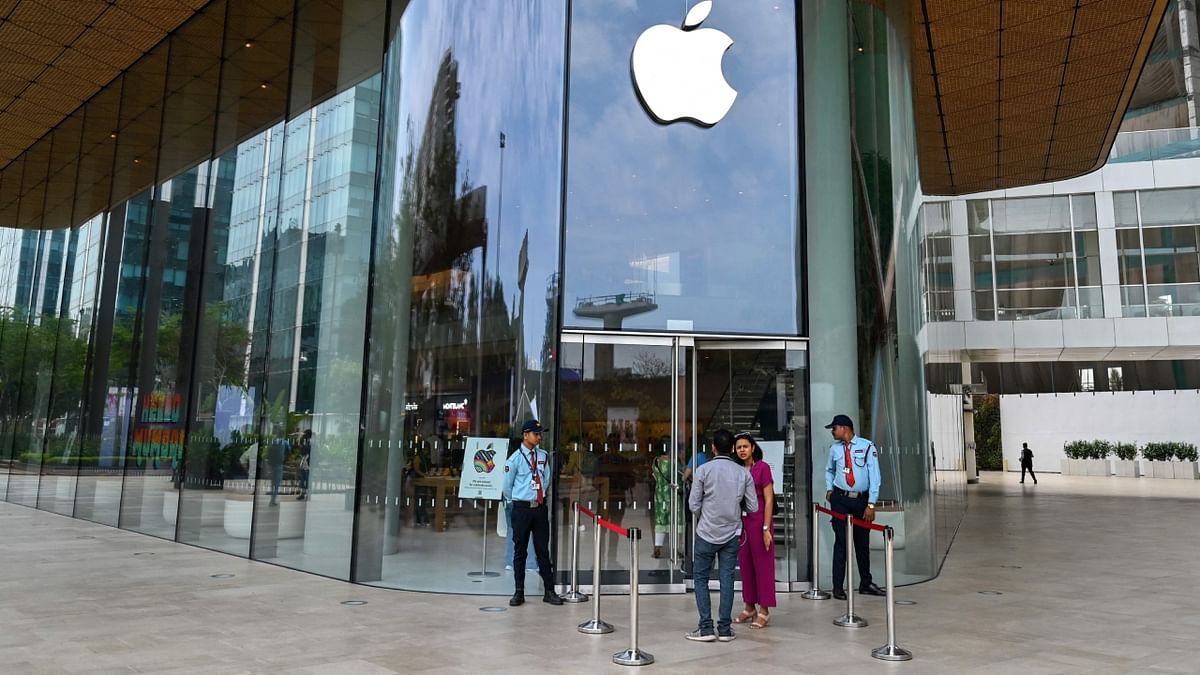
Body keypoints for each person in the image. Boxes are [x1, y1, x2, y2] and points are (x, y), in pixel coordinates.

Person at [686, 428, 757, 643]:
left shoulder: (704, 470)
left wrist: (706, 514)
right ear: (733, 449)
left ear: (713, 448)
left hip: (706, 532)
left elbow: (693, 504)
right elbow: (753, 506)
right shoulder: (743, 472)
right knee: (727, 579)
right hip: (731, 534)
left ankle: (706, 628)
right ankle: (725, 629)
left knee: (700, 578)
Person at [502, 419, 563, 607]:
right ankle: (519, 591)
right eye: (536, 434)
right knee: (520, 551)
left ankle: (549, 591)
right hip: (521, 508)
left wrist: (539, 494)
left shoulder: (543, 456)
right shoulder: (514, 459)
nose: (539, 437)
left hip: (539, 508)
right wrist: (518, 501)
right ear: (525, 435)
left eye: (540, 434)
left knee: (543, 550)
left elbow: (546, 478)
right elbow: (506, 486)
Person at [824, 414, 885, 599]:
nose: (833, 432)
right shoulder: (834, 449)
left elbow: (875, 477)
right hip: (840, 499)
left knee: (862, 543)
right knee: (841, 542)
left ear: (844, 428)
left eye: (834, 428)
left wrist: (871, 504)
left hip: (861, 501)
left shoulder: (866, 447)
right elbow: (829, 470)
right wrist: (829, 489)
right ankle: (837, 587)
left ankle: (866, 582)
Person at [732, 432, 775, 628]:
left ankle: (764, 610)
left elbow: (768, 499)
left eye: (745, 446)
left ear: (753, 448)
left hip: (760, 522)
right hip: (742, 524)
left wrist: (766, 528)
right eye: (738, 447)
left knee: (763, 565)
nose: (742, 450)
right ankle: (749, 607)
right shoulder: (737, 469)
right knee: (746, 565)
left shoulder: (762, 468)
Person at [651, 439, 684, 559]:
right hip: (672, 494)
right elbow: (682, 477)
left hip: (659, 495)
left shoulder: (655, 461)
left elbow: (655, 476)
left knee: (660, 520)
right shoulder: (675, 462)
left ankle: (657, 547)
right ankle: (675, 548)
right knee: (674, 521)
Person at [296, 429, 312, 500]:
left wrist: (299, 442)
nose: (304, 435)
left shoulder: (309, 442)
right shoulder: (308, 442)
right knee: (304, 479)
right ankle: (304, 493)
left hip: (307, 464)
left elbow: (303, 451)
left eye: (305, 434)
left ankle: (305, 494)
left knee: (305, 479)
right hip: (305, 464)